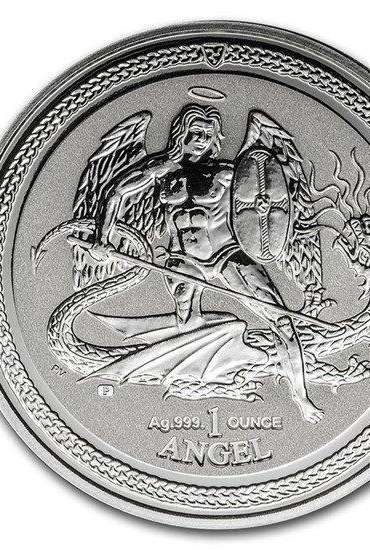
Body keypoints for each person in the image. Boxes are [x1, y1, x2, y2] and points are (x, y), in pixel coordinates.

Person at [97, 104, 323, 422]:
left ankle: (301, 397)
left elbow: (272, 192)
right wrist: (103, 237)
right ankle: (197, 385)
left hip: (226, 254)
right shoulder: (161, 171)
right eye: (195, 132)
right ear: (181, 134)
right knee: (188, 326)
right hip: (182, 257)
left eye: (208, 134)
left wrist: (265, 203)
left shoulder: (228, 173)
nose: (202, 139)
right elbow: (116, 193)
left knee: (282, 322)